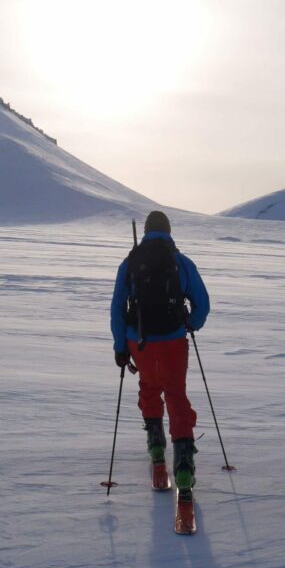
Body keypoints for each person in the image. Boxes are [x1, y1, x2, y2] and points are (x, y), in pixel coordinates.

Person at [110, 210, 210, 489]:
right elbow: (202, 303)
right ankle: (184, 465)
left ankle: (156, 448)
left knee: (149, 387)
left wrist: (120, 347)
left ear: (145, 231)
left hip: (139, 341)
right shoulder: (181, 261)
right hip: (172, 341)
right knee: (176, 395)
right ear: (168, 231)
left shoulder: (130, 262)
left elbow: (118, 308)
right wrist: (190, 323)